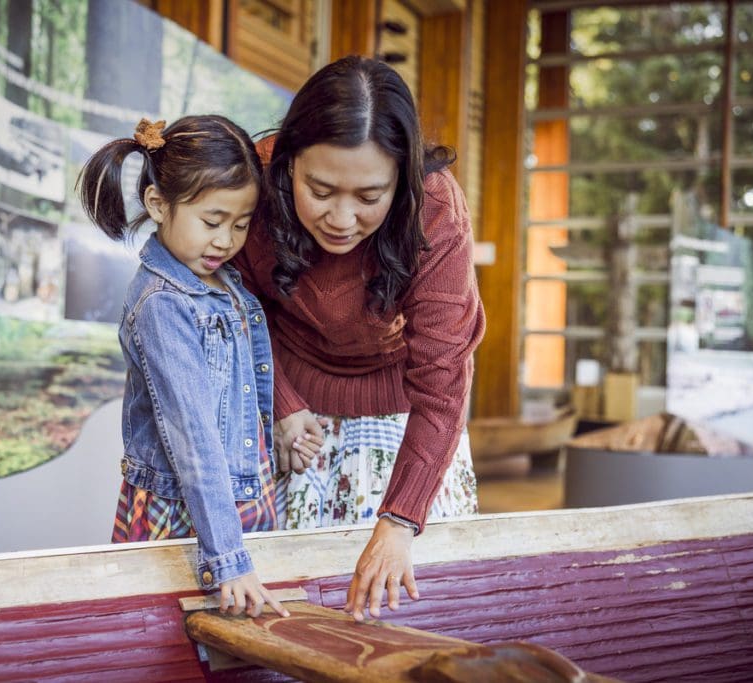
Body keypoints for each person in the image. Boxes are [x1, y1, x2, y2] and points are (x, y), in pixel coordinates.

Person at [232, 56, 486, 621]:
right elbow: (238, 307)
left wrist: (400, 519)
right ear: (288, 162)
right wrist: (283, 403)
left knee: (413, 609)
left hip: (405, 411)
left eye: (369, 197)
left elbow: (443, 380)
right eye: (320, 189)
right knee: (289, 605)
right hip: (289, 406)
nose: (342, 218)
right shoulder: (253, 185)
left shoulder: (436, 208)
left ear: (403, 178)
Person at [77, 115, 289, 619]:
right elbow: (193, 438)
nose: (226, 240)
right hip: (188, 515)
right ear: (157, 204)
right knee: (172, 647)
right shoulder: (163, 304)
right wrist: (229, 557)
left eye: (240, 225)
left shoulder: (224, 281)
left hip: (240, 496)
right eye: (212, 222)